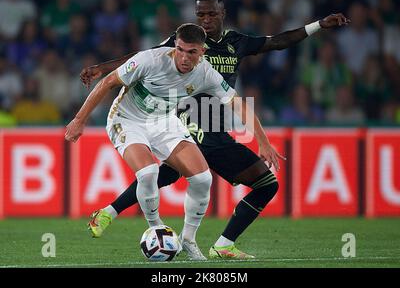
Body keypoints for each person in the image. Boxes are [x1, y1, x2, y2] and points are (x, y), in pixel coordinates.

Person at [81, 0, 349, 259]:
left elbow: (278, 41)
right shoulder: (184, 40)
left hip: (216, 121)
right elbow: (144, 58)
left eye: (211, 14)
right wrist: (104, 69)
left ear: (223, 13)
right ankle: (213, 242)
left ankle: (110, 214)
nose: (205, 19)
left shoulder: (237, 42)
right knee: (174, 173)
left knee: (172, 174)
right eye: (200, 14)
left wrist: (319, 25)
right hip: (189, 117)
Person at [66, 23, 272, 261]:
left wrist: (263, 141)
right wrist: (79, 120)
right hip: (127, 120)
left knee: (203, 179)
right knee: (148, 173)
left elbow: (238, 104)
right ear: (176, 45)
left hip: (163, 122)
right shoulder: (150, 60)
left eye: (191, 52)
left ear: (202, 52)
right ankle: (157, 229)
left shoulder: (206, 73)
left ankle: (188, 240)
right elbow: (107, 82)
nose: (184, 57)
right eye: (181, 50)